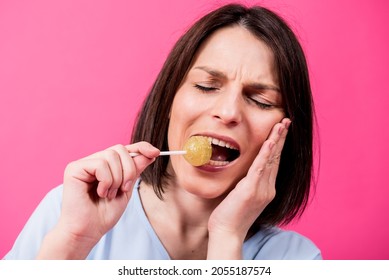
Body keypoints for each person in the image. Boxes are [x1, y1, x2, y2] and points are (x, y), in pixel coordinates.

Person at [4, 3, 321, 260]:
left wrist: (227, 237)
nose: (227, 112)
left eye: (260, 100)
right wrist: (73, 240)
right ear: (169, 98)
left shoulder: (295, 260)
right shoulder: (69, 211)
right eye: (206, 86)